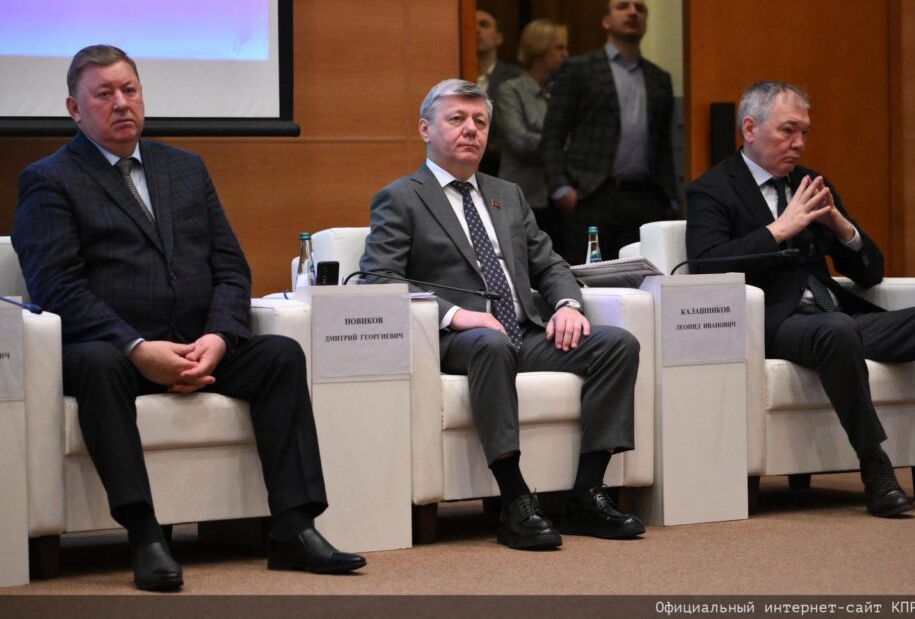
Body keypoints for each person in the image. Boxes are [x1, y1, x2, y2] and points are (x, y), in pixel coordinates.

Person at [10, 45, 366, 591]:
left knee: (279, 355)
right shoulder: (49, 179)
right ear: (74, 109)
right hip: (112, 351)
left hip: (197, 343)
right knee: (100, 364)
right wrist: (137, 348)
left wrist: (219, 337)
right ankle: (144, 535)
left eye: (130, 90)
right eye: (104, 94)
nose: (121, 103)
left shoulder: (184, 167)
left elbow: (230, 267)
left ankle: (294, 528)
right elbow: (58, 286)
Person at [685, 80, 915, 517]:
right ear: (750, 129)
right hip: (774, 323)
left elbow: (870, 273)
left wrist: (844, 230)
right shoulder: (713, 189)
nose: (799, 143)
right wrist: (780, 229)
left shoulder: (808, 183)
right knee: (836, 329)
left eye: (804, 132)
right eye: (788, 130)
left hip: (836, 315)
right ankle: (875, 466)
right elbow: (706, 265)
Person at [359, 78, 645, 550]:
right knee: (490, 344)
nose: (471, 130)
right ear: (425, 129)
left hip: (524, 333)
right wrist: (456, 315)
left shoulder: (507, 194)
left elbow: (549, 264)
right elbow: (377, 278)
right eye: (457, 119)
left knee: (617, 344)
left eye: (480, 121)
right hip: (457, 341)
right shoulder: (402, 197)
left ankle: (586, 493)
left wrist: (568, 305)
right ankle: (514, 500)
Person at [540, 0, 677, 265]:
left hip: (647, 199)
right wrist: (561, 189)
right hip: (592, 195)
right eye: (623, 6)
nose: (632, 12)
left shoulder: (659, 78)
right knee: (588, 276)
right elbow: (552, 135)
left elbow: (663, 144)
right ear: (605, 21)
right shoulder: (580, 69)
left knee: (646, 276)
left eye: (639, 8)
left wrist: (671, 198)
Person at [496, 18, 570, 252]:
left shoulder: (561, 92)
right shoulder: (510, 90)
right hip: (523, 195)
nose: (565, 54)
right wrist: (559, 147)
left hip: (558, 196)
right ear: (539, 49)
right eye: (559, 48)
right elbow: (519, 141)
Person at [477, 9, 524, 177]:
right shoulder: (452, 74)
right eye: (470, 25)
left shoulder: (515, 77)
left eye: (484, 25)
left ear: (499, 38)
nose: (476, 30)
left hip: (503, 169)